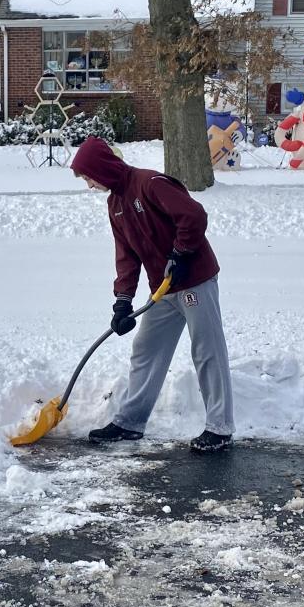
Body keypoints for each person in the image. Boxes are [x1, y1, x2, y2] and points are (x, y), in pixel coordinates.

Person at [69, 135, 234, 453]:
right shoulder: (115, 204)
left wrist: (181, 252)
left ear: (101, 168)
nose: (89, 185)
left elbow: (194, 216)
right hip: (163, 288)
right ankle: (130, 423)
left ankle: (220, 428)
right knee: (145, 349)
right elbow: (126, 256)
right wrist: (122, 301)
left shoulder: (150, 183)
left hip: (194, 280)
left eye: (89, 177)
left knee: (207, 350)